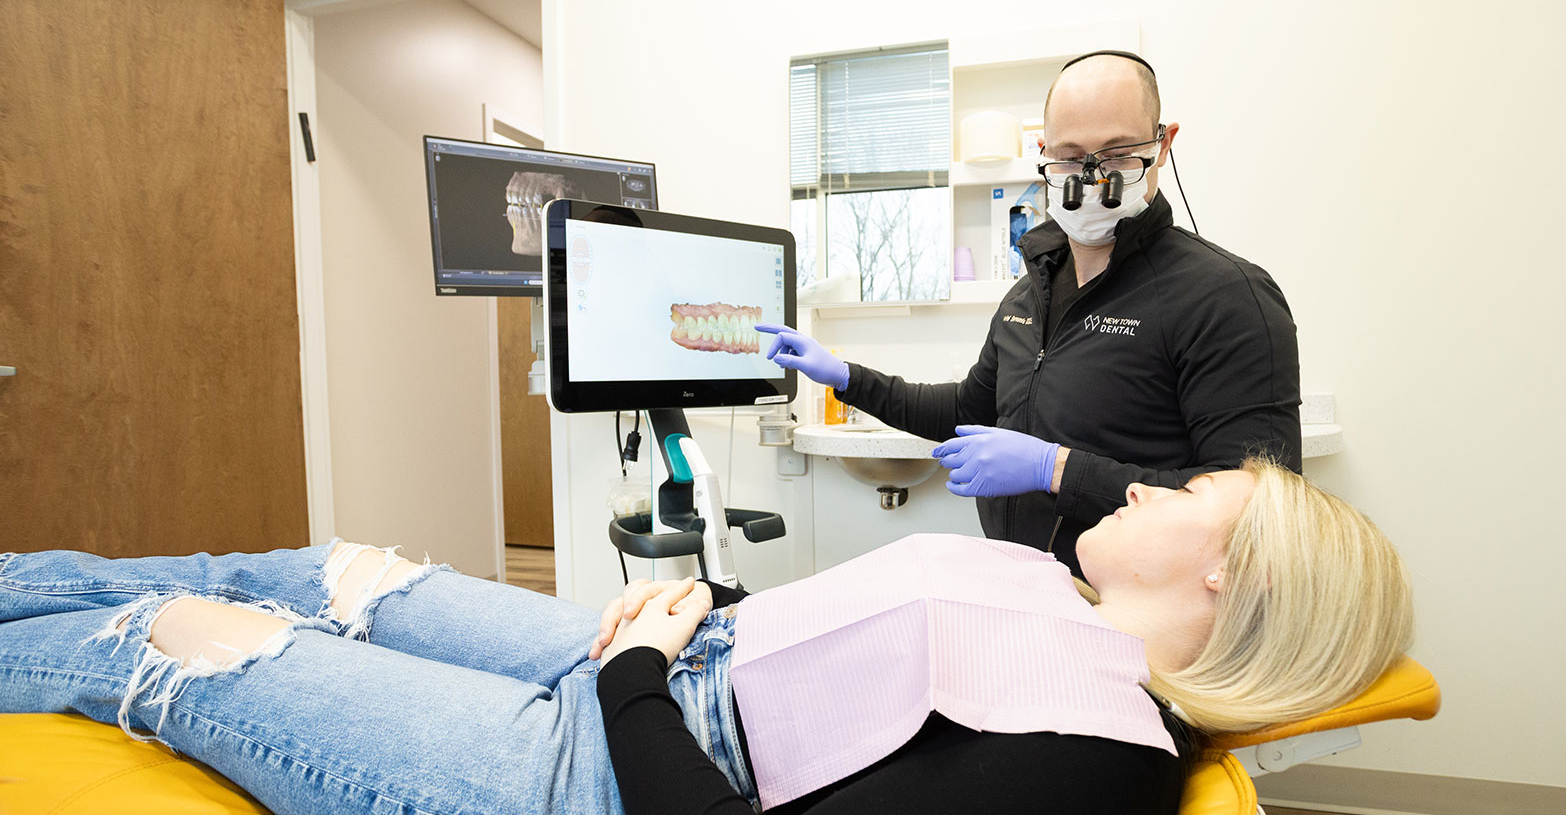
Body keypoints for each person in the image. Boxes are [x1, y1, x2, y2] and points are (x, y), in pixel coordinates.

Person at [0, 461, 1411, 815]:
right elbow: (861, 654)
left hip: (595, 772)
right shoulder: (1071, 606)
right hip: (655, 671)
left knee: (177, 637)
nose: (1134, 487)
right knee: (326, 567)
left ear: (1223, 577)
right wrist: (701, 616)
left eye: (1175, 494)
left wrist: (625, 680)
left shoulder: (1093, 760)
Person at [758, 50, 1302, 575]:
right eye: (1068, 155)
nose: (1091, 179)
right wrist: (846, 377)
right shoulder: (1030, 292)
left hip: (1144, 618)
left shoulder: (1225, 296)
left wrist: (1056, 469)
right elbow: (968, 409)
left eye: (1115, 154)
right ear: (1044, 152)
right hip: (1029, 593)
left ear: (1163, 145)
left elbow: (1255, 511)